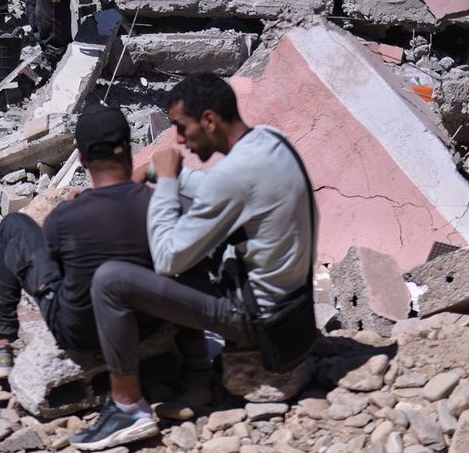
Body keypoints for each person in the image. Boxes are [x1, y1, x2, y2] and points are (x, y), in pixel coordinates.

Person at [75, 74, 317, 449]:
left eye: (181, 128)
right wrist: (164, 174)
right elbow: (218, 194)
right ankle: (195, 366)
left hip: (260, 321)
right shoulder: (268, 140)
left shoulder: (231, 175)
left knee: (111, 279)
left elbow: (168, 258)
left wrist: (167, 183)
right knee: (183, 212)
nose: (180, 141)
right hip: (292, 310)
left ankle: (127, 407)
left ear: (209, 120)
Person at [0, 103, 163, 381]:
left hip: (79, 334)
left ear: (82, 160)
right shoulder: (158, 204)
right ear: (129, 150)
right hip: (148, 324)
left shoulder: (66, 217)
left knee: (13, 226)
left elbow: (60, 266)